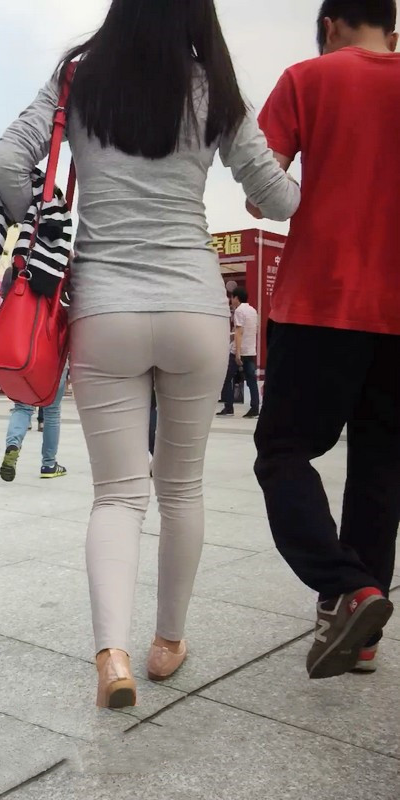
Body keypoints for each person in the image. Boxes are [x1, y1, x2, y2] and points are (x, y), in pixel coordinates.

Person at [0, 0, 300, 709]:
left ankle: (113, 657)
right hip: (194, 308)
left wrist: (41, 216)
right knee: (181, 490)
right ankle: (168, 643)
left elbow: (9, 159)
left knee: (117, 495)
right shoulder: (213, 86)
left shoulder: (79, 76)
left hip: (105, 310)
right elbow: (278, 199)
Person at [253, 0, 399, 681]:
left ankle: (349, 589)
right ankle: (361, 641)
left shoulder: (306, 78)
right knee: (380, 466)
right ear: (393, 31)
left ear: (329, 25)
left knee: (283, 451)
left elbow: (263, 193)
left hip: (321, 299)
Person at [0, 368, 68, 482]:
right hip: (55, 365)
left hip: (26, 362)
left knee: (22, 407)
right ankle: (49, 464)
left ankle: (13, 445)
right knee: (52, 412)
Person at [217, 287, 259, 418]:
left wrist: (237, 353)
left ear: (236, 298)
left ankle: (228, 407)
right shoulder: (253, 310)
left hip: (239, 351)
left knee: (226, 378)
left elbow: (239, 332)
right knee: (251, 381)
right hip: (250, 350)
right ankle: (255, 408)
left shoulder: (239, 311)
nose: (231, 300)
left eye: (232, 297)